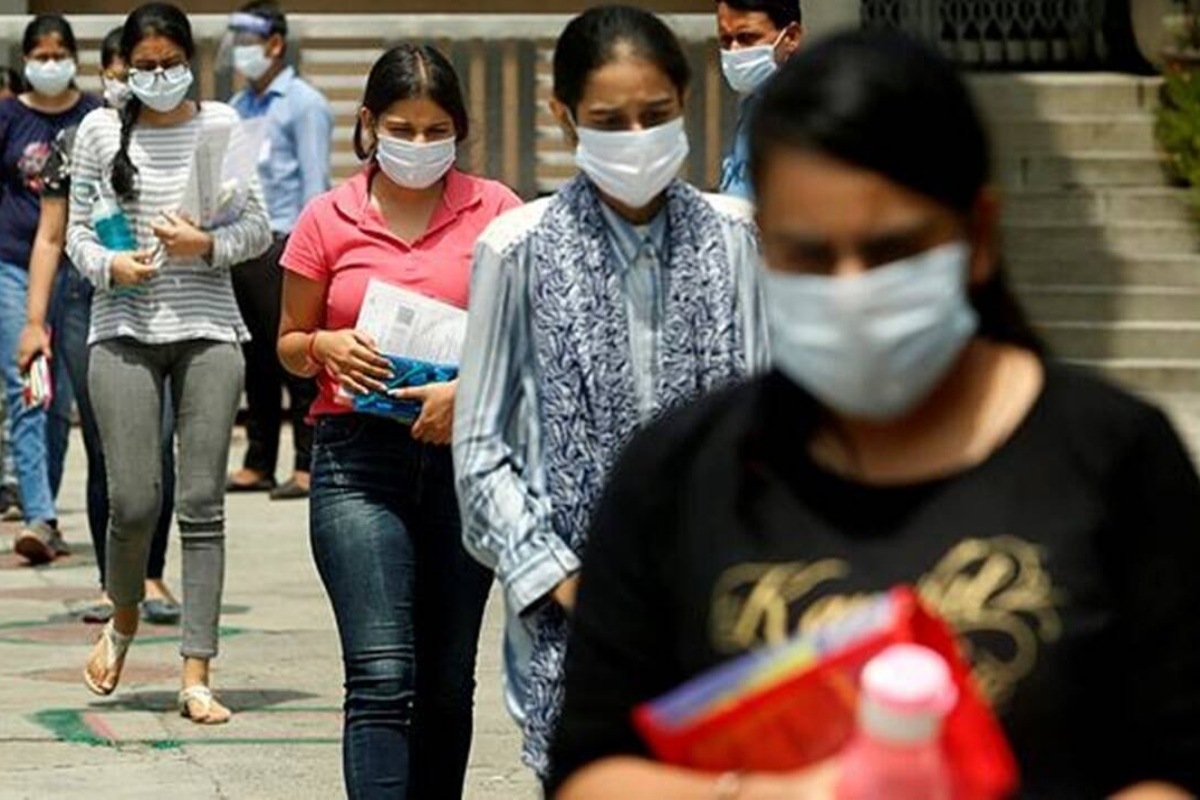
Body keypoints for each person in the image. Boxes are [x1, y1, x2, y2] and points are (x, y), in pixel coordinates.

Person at [548, 30, 1200, 800]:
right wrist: (778, 796)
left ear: (978, 236)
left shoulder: (1115, 457)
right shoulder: (678, 476)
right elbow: (589, 772)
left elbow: (1181, 761)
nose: (852, 289)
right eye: (810, 255)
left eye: (892, 251)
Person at [454, 4, 769, 780]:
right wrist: (563, 580)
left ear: (685, 103)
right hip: (575, 631)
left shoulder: (737, 238)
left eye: (655, 115)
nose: (636, 137)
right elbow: (481, 451)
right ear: (564, 116)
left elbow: (771, 420)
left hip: (722, 619)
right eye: (609, 120)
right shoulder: (519, 249)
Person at [277, 44, 520, 799]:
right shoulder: (326, 218)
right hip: (357, 463)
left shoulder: (499, 212)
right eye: (403, 128)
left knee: (447, 680)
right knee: (382, 674)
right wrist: (323, 346)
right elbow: (289, 342)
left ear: (460, 130)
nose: (419, 143)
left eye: (435, 129)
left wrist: (468, 391)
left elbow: (529, 338)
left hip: (466, 461)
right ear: (369, 125)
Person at [67, 2, 271, 724]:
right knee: (133, 500)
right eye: (145, 65)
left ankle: (196, 671)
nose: (159, 75)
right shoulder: (98, 131)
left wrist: (204, 245)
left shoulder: (222, 127)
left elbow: (257, 227)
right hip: (122, 328)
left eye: (171, 63)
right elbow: (77, 232)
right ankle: (123, 615)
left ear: (192, 61)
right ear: (125, 67)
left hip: (209, 329)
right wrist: (110, 265)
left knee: (202, 504)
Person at [17, 27, 180, 626]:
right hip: (89, 304)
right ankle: (115, 584)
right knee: (106, 445)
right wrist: (34, 322)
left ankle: (152, 572)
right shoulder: (75, 140)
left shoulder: (179, 135)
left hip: (167, 305)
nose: (130, 83)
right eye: (120, 70)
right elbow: (51, 235)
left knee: (159, 442)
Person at [0, 15, 103, 563]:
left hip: (80, 274)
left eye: (59, 53)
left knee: (61, 400)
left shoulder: (93, 116)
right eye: (40, 55)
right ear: (26, 61)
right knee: (29, 386)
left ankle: (47, 516)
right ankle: (38, 514)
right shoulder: (8, 116)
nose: (50, 63)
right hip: (15, 267)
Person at [226, 0, 332, 500]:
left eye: (248, 41)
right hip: (246, 240)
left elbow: (315, 179)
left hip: (287, 241)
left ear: (275, 44)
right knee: (255, 359)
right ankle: (259, 460)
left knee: (295, 354)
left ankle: (308, 462)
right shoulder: (239, 105)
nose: (240, 51)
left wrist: (311, 248)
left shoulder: (304, 103)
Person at [717, 0, 802, 199]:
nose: (734, 50)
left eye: (747, 37)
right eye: (726, 40)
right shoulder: (753, 106)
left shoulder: (809, 113)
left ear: (791, 37)